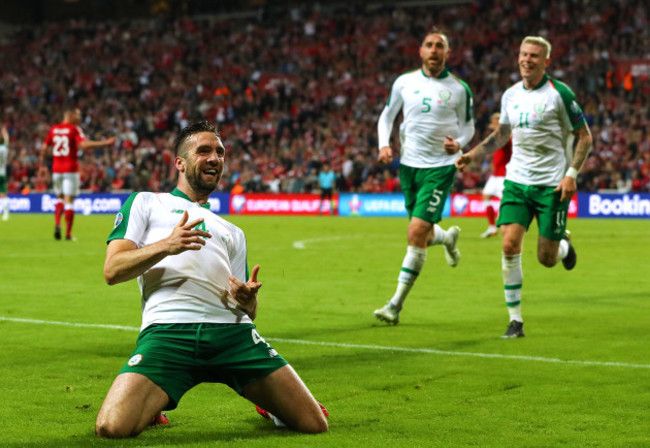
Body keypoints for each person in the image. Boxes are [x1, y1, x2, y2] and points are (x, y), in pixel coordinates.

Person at [95, 122, 328, 439]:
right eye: (204, 150)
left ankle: (270, 404)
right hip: (169, 333)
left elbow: (248, 311)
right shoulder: (146, 202)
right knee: (112, 427)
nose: (215, 158)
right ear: (180, 162)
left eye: (220, 152)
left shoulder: (233, 231)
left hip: (233, 336)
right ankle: (152, 403)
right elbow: (112, 270)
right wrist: (167, 245)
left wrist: (248, 301)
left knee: (314, 424)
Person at [456, 36, 593, 338]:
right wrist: (472, 155)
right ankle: (515, 321)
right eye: (523, 54)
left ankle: (564, 247)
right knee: (508, 244)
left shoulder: (560, 94)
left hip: (551, 186)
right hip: (516, 181)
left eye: (534, 55)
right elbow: (502, 134)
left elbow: (585, 136)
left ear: (546, 62)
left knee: (546, 258)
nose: (527, 60)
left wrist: (571, 173)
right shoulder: (510, 95)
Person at [373, 26, 475, 325]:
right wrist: (383, 144)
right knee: (423, 233)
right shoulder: (404, 82)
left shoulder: (459, 88)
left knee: (416, 232)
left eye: (439, 46)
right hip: (409, 166)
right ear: (421, 51)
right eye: (429, 45)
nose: (433, 50)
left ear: (447, 53)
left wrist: (460, 143)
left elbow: (469, 127)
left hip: (441, 167)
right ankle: (447, 238)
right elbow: (388, 115)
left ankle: (395, 305)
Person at [41, 107, 115, 241]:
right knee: (69, 201)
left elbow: (44, 148)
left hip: (56, 169)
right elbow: (85, 145)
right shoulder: (73, 129)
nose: (80, 118)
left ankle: (57, 223)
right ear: (70, 115)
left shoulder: (53, 129)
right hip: (70, 168)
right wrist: (105, 143)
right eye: (78, 115)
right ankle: (68, 234)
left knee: (60, 198)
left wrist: (43, 166)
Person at [480, 113, 512, 238]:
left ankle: (509, 225)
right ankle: (492, 228)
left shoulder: (505, 137)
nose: (492, 126)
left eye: (494, 123)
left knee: (506, 202)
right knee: (486, 196)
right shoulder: (497, 137)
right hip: (495, 175)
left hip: (504, 175)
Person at [0, 125, 9, 221]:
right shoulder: (4, 149)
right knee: (3, 194)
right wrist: (5, 132)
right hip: (3, 173)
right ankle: (6, 213)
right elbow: (7, 140)